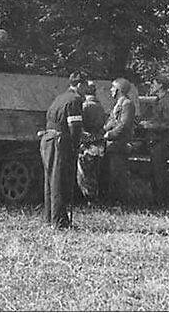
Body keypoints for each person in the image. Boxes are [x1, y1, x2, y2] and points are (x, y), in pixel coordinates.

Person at [40, 72, 86, 229]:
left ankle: (50, 219)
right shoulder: (75, 100)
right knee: (58, 181)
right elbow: (75, 127)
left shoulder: (60, 97)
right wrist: (76, 144)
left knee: (50, 181)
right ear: (80, 85)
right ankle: (59, 222)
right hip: (59, 142)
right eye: (85, 86)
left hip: (47, 139)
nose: (86, 89)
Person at [141, 74, 169, 204]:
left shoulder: (167, 101)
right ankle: (161, 199)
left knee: (159, 171)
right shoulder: (157, 100)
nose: (152, 86)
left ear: (161, 85)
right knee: (155, 171)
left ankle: (163, 201)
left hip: (162, 141)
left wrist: (149, 125)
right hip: (155, 140)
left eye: (154, 83)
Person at [102, 78, 136, 202]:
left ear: (118, 90)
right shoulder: (118, 103)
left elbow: (123, 125)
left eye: (113, 88)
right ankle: (113, 199)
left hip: (119, 144)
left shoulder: (127, 104)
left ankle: (121, 201)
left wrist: (109, 134)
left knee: (119, 174)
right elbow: (112, 121)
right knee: (112, 174)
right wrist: (104, 129)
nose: (111, 90)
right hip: (113, 144)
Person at [77, 81, 106, 200]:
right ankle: (94, 198)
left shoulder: (85, 106)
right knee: (94, 172)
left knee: (85, 174)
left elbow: (81, 124)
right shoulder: (99, 106)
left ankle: (90, 199)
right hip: (98, 142)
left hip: (88, 143)